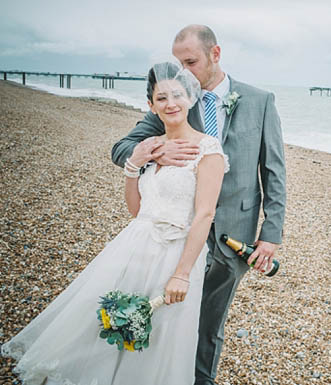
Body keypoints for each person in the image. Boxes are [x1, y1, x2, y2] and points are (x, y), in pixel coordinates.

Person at [1, 62, 228, 384]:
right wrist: (134, 165)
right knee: (109, 323)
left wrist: (182, 274)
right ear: (151, 105)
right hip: (133, 245)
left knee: (159, 334)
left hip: (174, 253)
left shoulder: (208, 149)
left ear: (191, 99)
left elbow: (205, 214)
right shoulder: (151, 146)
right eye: (161, 98)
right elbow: (137, 210)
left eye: (177, 95)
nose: (170, 104)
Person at [111, 25, 286, 384]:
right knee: (164, 318)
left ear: (215, 54)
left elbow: (274, 170)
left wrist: (270, 234)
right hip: (176, 233)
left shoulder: (259, 100)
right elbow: (121, 149)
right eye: (177, 63)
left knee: (209, 325)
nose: (181, 72)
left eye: (190, 62)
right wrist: (157, 149)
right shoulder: (174, 101)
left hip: (232, 237)